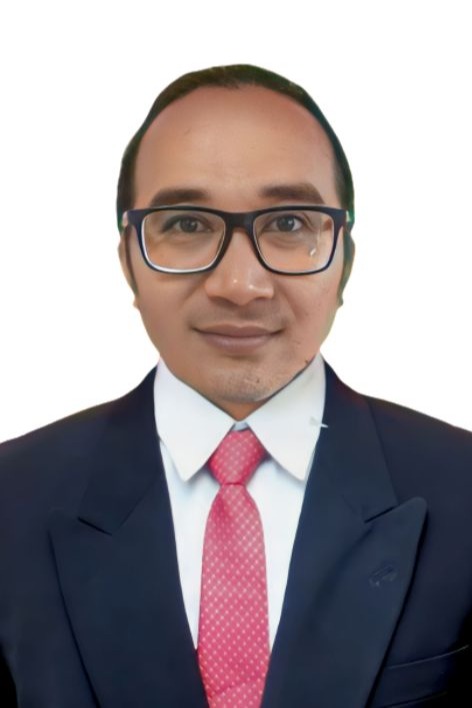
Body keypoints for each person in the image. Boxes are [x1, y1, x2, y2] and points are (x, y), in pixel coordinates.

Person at [0, 64, 471, 708]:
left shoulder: (464, 489)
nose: (240, 286)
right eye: (187, 225)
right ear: (129, 262)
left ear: (345, 261)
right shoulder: (11, 500)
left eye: (289, 224)